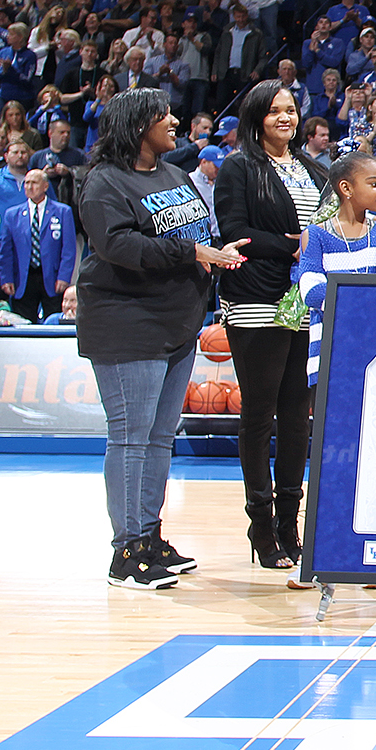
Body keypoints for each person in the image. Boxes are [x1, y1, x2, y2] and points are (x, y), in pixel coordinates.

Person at [79, 88, 247, 589]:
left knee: (158, 437)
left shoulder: (174, 175)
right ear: (137, 126)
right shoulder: (104, 183)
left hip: (178, 324)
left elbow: (192, 234)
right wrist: (192, 253)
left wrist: (214, 251)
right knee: (130, 437)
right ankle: (124, 551)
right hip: (127, 322)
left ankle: (148, 536)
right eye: (161, 116)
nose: (173, 121)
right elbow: (119, 245)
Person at [214, 80, 328, 576]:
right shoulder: (239, 167)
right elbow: (235, 233)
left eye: (291, 110)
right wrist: (295, 246)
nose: (286, 117)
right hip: (258, 300)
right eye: (275, 110)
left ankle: (290, 523)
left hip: (305, 305)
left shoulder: (312, 168)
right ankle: (261, 526)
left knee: (298, 417)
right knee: (260, 415)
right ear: (257, 116)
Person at [295, 150, 376, 383]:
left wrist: (345, 301)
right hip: (329, 355)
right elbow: (311, 291)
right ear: (346, 188)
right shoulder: (316, 235)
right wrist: (368, 301)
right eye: (373, 183)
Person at [0, 167, 75, 321]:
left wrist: (64, 276)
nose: (29, 187)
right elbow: (5, 251)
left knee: (53, 319)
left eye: (34, 183)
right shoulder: (12, 215)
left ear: (45, 186)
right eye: (26, 183)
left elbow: (68, 249)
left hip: (52, 278)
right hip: (23, 280)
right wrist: (6, 278)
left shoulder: (62, 212)